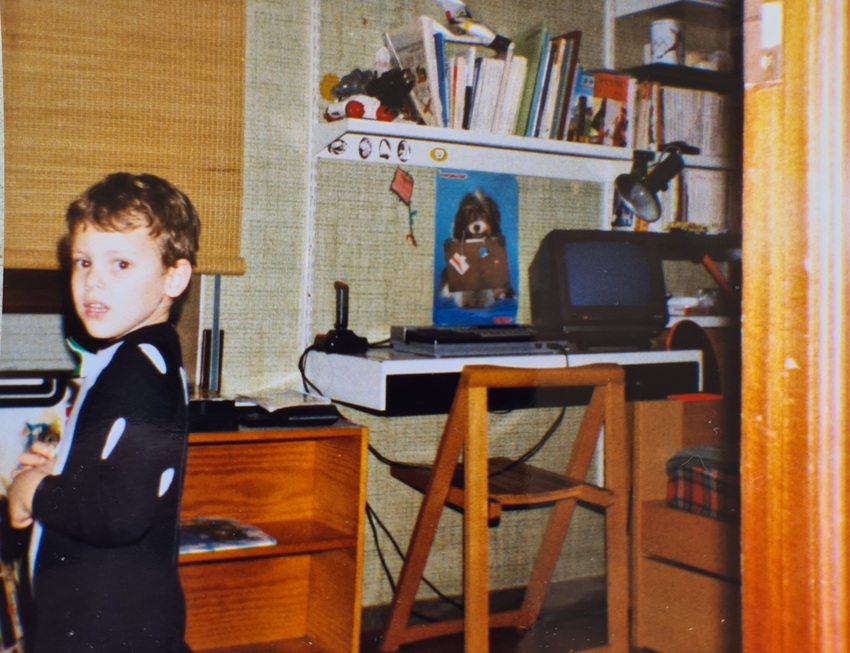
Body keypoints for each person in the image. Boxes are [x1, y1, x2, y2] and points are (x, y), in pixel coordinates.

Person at [6, 172, 199, 653]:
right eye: (83, 261)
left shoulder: (136, 375)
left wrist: (37, 491)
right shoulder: (131, 357)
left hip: (108, 625)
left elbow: (121, 513)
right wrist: (65, 470)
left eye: (121, 264)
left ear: (173, 276)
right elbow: (120, 472)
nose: (94, 279)